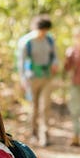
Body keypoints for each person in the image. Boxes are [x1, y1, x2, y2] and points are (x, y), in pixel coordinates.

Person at [16, 17, 59, 146]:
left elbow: (55, 56)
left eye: (46, 31)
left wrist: (55, 64)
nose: (43, 33)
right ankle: (33, 133)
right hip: (31, 78)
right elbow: (21, 62)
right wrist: (22, 79)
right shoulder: (26, 42)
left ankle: (45, 134)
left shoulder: (49, 40)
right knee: (33, 107)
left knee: (45, 106)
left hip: (46, 77)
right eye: (42, 31)